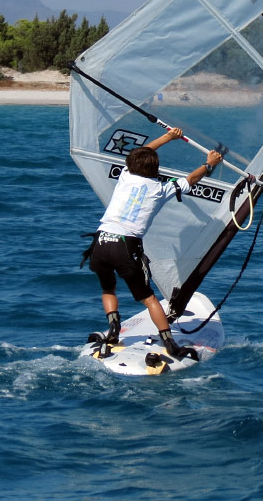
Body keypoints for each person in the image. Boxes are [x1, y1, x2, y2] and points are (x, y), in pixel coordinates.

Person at [84, 126, 223, 359]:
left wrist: (168, 137)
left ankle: (114, 328)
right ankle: (169, 343)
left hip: (100, 240)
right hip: (125, 245)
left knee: (108, 288)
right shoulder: (161, 189)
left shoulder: (125, 176)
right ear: (156, 169)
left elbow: (142, 152)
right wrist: (210, 164)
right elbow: (191, 179)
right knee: (149, 299)